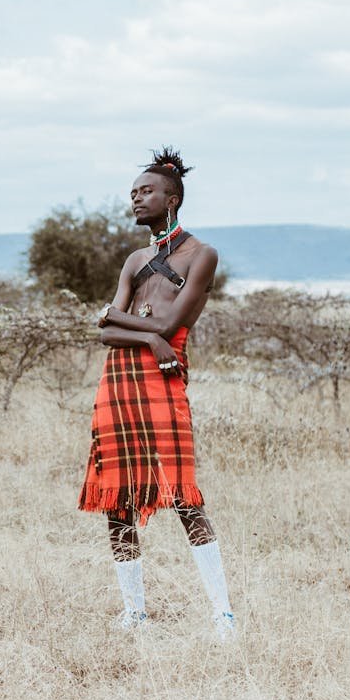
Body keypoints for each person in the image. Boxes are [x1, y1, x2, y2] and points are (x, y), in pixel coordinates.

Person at [79, 148, 236, 638]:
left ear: (172, 199)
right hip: (121, 378)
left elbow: (167, 321)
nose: (135, 200)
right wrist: (147, 335)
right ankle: (135, 613)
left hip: (163, 380)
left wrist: (126, 320)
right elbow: (110, 335)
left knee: (184, 496)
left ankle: (222, 615)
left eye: (145, 192)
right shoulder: (135, 259)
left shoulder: (201, 255)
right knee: (116, 499)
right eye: (132, 194)